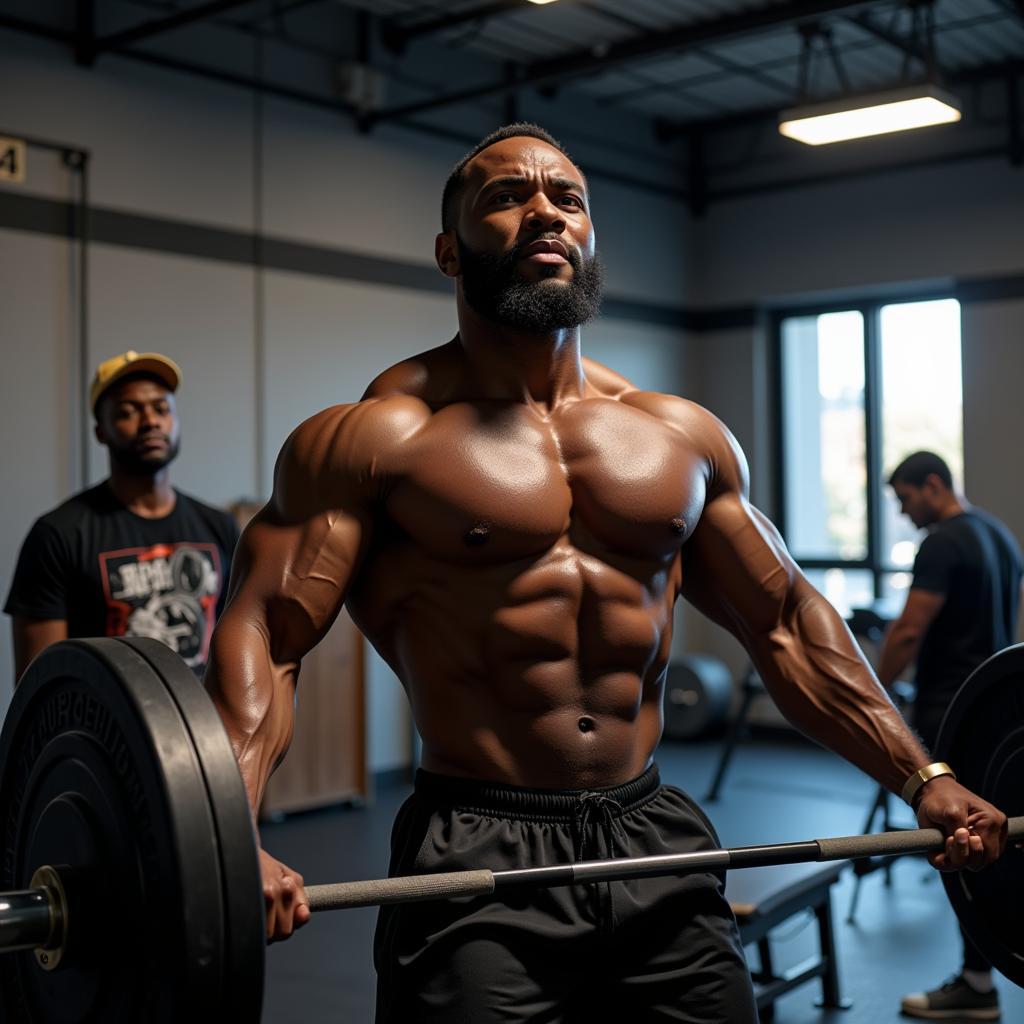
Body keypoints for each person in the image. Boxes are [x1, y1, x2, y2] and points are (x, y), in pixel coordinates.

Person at [204, 125, 1008, 1023]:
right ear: (448, 250)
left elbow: (782, 621)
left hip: (650, 828)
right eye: (506, 196)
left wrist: (921, 774)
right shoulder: (373, 439)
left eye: (569, 198)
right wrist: (225, 831)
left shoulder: (679, 437)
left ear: (589, 237)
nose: (544, 209)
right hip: (476, 842)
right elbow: (267, 636)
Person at [876, 450, 1021, 1021]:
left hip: (951, 710)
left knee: (958, 843)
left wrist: (876, 698)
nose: (905, 512)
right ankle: (984, 973)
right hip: (1000, 710)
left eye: (906, 498)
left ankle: (976, 984)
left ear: (932, 484)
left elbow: (910, 629)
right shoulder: (998, 534)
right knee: (1001, 837)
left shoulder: (941, 543)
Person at [5, 350, 239, 682]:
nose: (150, 421)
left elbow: (240, 647)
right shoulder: (58, 534)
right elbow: (40, 688)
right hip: (107, 730)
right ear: (101, 431)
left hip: (201, 729)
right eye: (128, 412)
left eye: (162, 409)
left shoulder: (219, 527)